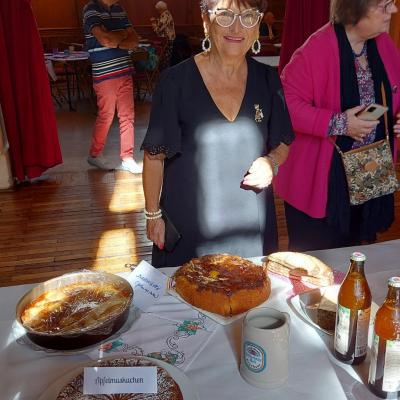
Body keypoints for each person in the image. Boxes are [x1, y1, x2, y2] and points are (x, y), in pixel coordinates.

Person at [141, 0, 294, 267]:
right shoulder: (175, 82)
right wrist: (153, 214)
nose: (236, 27)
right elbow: (154, 157)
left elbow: (282, 141)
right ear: (205, 21)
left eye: (248, 17)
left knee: (249, 300)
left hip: (251, 224)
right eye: (224, 16)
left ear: (257, 26)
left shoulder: (268, 79)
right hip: (190, 227)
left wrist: (272, 162)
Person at [275, 0, 400, 251]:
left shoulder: (383, 44)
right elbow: (284, 103)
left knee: (357, 254)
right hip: (320, 182)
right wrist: (340, 123)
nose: (394, 11)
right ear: (356, 8)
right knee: (316, 266)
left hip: (368, 173)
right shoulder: (316, 48)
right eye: (385, 5)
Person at [83, 0, 142, 174]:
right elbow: (104, 39)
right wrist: (122, 35)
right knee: (106, 115)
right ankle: (94, 154)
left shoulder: (119, 9)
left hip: (125, 70)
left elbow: (135, 40)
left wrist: (115, 39)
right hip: (104, 74)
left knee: (127, 116)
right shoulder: (90, 9)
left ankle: (127, 158)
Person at [150, 1, 176, 69]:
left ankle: (165, 75)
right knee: (166, 59)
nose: (158, 12)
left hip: (166, 40)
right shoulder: (167, 14)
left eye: (158, 10)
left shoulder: (165, 15)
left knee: (165, 60)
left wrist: (153, 23)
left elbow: (158, 30)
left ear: (160, 9)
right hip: (168, 39)